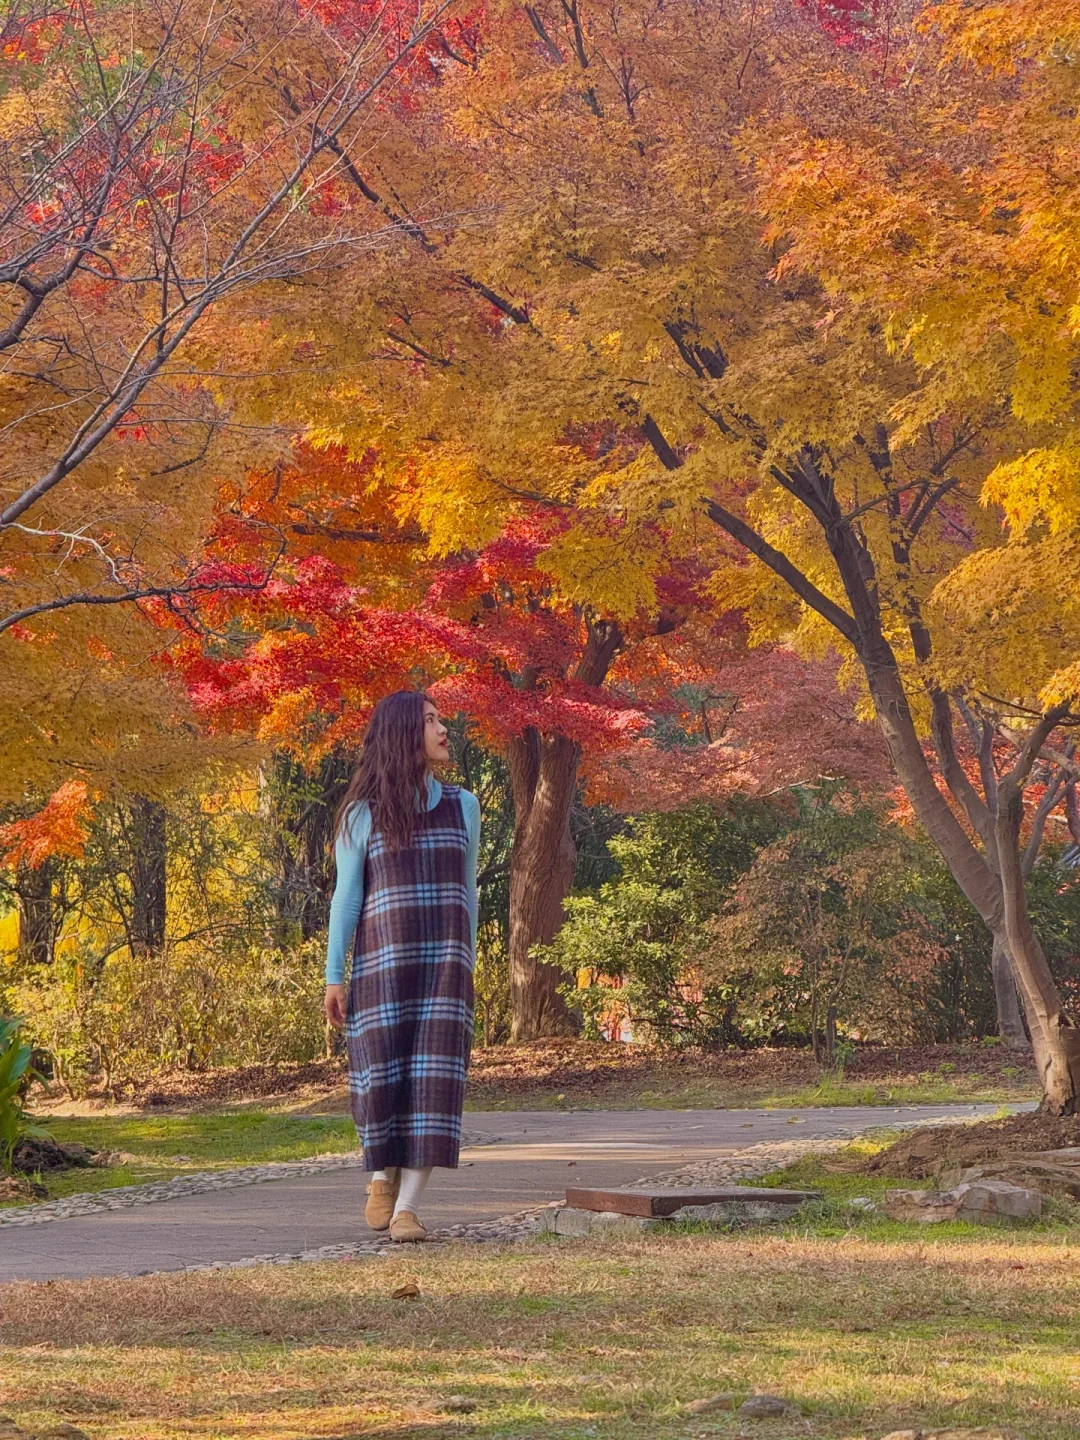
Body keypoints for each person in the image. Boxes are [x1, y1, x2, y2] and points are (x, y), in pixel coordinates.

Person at [324, 691, 480, 1242]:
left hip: (445, 967)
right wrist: (333, 975)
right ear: (401, 735)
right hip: (381, 967)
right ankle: (380, 1175)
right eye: (430, 721)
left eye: (440, 719)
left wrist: (470, 961)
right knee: (381, 1078)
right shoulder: (360, 815)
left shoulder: (463, 804)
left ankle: (408, 1208)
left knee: (434, 1083)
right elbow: (346, 899)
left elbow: (468, 889)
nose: (443, 729)